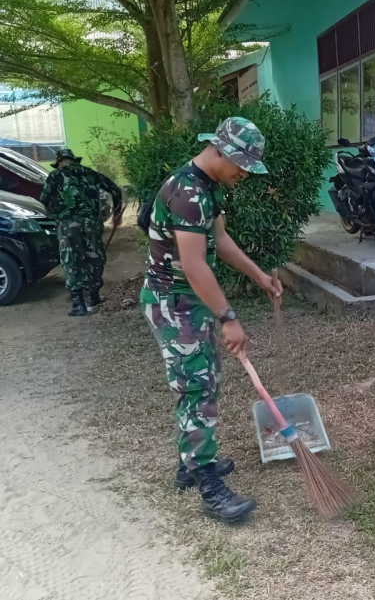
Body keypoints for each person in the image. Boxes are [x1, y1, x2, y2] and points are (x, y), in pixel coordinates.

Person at [140, 117, 282, 524]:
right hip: (173, 302)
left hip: (190, 299)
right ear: (220, 151)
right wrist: (228, 316)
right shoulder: (187, 193)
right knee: (196, 387)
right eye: (242, 165)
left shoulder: (206, 187)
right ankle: (208, 486)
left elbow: (219, 241)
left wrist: (259, 276)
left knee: (204, 379)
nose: (244, 174)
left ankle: (190, 463)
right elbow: (194, 264)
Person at [40, 148, 123, 316]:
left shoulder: (56, 175)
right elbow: (115, 190)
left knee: (72, 259)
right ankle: (94, 297)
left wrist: (57, 216)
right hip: (92, 223)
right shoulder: (90, 173)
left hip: (69, 224)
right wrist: (116, 214)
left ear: (59, 162)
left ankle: (78, 304)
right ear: (74, 160)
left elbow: (44, 199)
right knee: (94, 256)